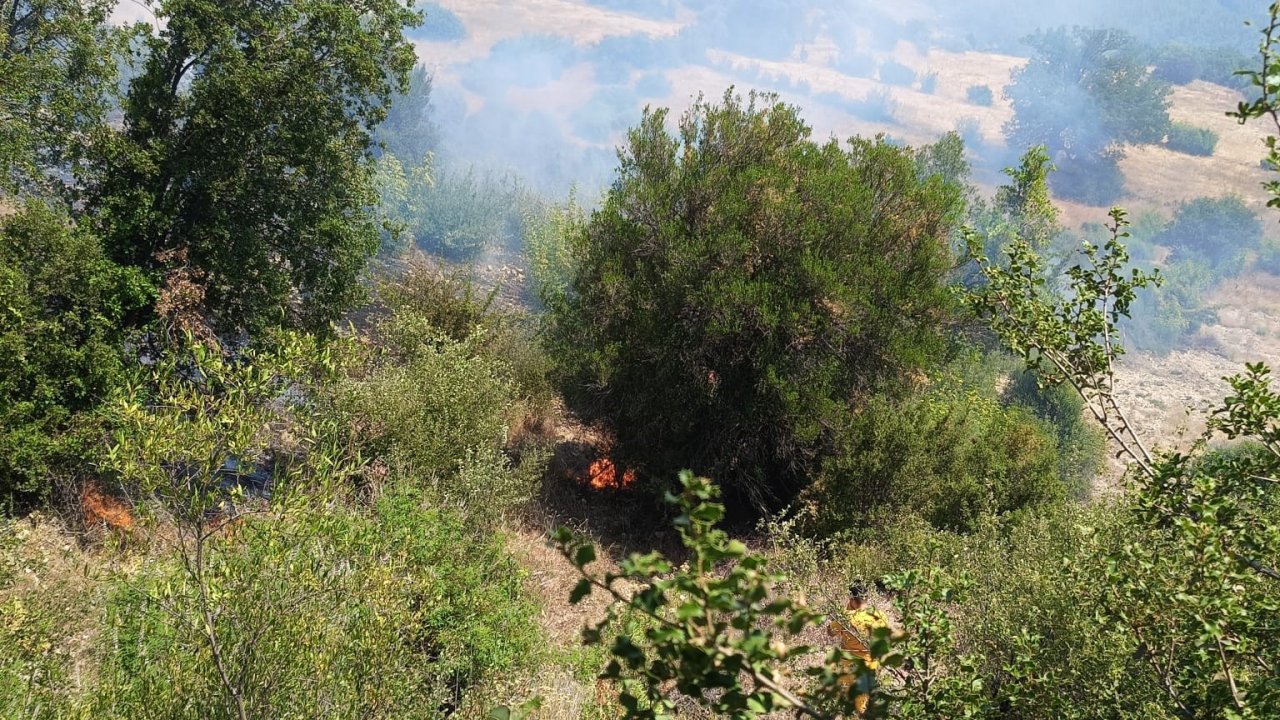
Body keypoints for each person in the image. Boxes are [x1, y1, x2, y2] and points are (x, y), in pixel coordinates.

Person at [827, 582, 888, 715]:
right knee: (864, 702)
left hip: (849, 666)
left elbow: (830, 632)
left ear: (852, 598)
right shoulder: (880, 616)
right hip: (870, 665)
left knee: (849, 704)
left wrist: (844, 612)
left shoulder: (845, 617)